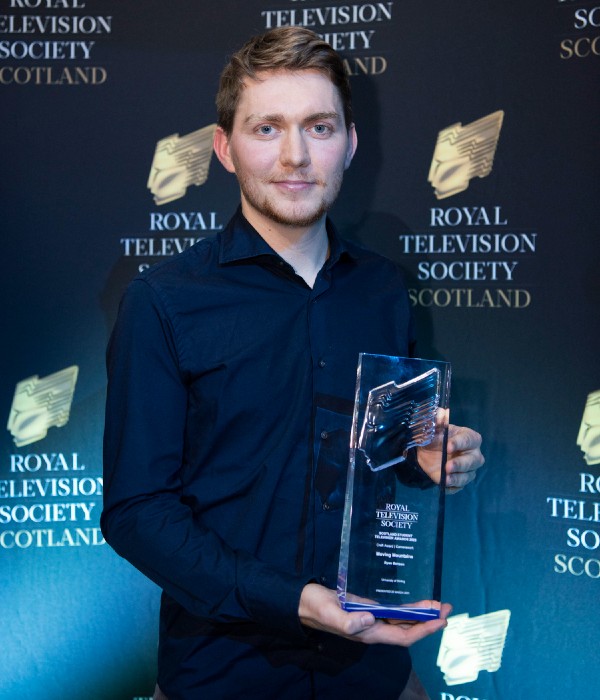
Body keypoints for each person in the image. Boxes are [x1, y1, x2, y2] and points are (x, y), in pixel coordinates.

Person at [101, 26, 484, 700]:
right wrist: (297, 600)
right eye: (267, 129)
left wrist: (432, 457)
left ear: (351, 143)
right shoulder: (162, 302)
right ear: (224, 148)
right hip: (224, 673)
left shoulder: (384, 288)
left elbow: (391, 450)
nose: (296, 156)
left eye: (319, 126)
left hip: (373, 672)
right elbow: (138, 513)